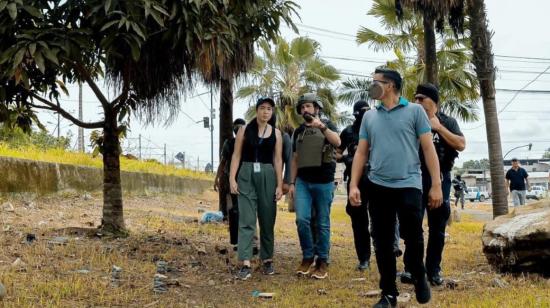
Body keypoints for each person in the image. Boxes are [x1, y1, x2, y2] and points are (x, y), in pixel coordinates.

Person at [349, 68, 442, 308]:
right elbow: (361, 152)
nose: (372, 86)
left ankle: (419, 274)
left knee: (413, 237)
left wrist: (436, 185)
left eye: (376, 82)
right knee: (381, 241)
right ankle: (388, 293)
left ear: (390, 85)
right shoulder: (369, 117)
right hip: (378, 185)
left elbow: (428, 149)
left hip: (409, 184)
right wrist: (353, 184)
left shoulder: (414, 112)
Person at [401, 83, 465, 287]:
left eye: (422, 98)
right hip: (413, 177)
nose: (417, 102)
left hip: (441, 179)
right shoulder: (409, 120)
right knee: (412, 225)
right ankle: (412, 268)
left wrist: (438, 127)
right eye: (416, 98)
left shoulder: (448, 121)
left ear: (434, 101)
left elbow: (461, 144)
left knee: (437, 227)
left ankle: (433, 269)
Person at [229, 97, 283, 280]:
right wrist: (232, 178)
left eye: (269, 109)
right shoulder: (244, 130)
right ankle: (245, 262)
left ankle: (266, 259)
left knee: (267, 218)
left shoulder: (276, 133)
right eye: (262, 108)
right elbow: (236, 156)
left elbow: (278, 160)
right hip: (246, 173)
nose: (265, 112)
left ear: (272, 112)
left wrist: (279, 184)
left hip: (268, 174)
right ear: (256, 110)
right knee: (247, 218)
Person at [288, 92, 341, 279]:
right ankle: (308, 256)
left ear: (317, 108)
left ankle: (323, 261)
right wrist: (292, 183)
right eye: (302, 107)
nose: (305, 110)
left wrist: (323, 127)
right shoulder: (298, 131)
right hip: (303, 182)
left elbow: (338, 142)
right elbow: (294, 159)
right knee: (302, 220)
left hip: (324, 182)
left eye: (308, 106)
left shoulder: (328, 125)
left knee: (322, 223)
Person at [336, 100, 372, 271]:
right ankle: (364, 258)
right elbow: (337, 152)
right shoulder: (348, 131)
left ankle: (385, 251)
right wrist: (346, 158)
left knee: (381, 219)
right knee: (359, 222)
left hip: (376, 179)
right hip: (356, 180)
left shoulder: (376, 128)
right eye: (362, 112)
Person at [214, 118, 246, 250]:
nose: (237, 130)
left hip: (241, 179)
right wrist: (218, 178)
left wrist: (218, 178)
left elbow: (223, 162)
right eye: (237, 127)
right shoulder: (231, 143)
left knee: (237, 210)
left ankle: (238, 240)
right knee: (238, 210)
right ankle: (237, 240)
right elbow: (223, 162)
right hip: (235, 180)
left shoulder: (245, 142)